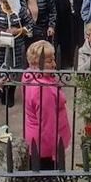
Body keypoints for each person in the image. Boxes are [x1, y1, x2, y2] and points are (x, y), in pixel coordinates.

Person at [21, 41, 70, 169]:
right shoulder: (43, 88)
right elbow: (47, 125)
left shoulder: (30, 75)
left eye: (53, 60)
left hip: (36, 143)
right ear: (37, 63)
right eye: (49, 61)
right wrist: (56, 152)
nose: (54, 64)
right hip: (45, 148)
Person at [48, 0, 84, 70]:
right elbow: (50, 2)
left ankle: (71, 61)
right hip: (59, 19)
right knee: (60, 42)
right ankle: (61, 63)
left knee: (73, 40)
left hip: (73, 19)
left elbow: (80, 0)